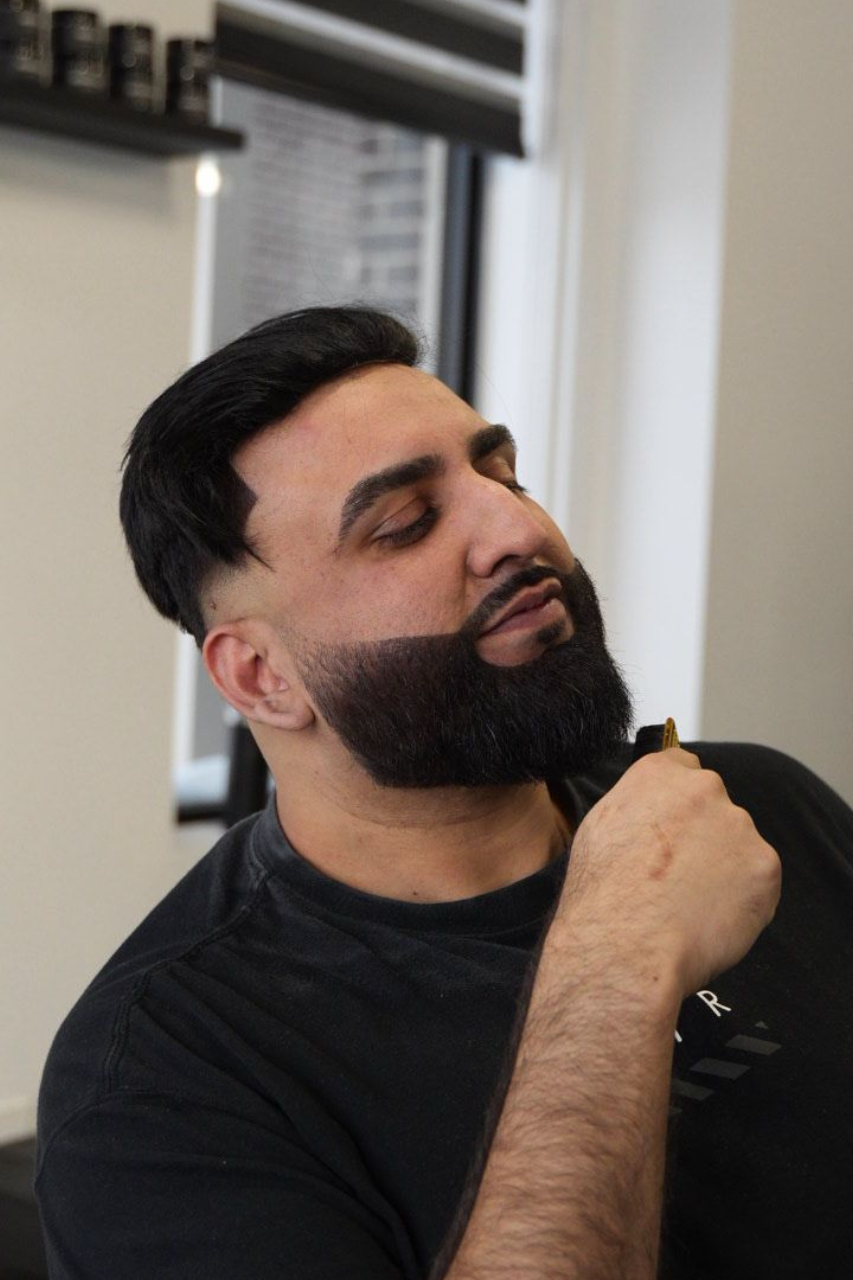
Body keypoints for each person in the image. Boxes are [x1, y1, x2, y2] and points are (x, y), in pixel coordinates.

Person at [36, 307, 853, 1279]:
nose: (519, 529)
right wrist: (613, 962)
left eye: (505, 476)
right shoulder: (164, 1077)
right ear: (261, 676)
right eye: (406, 523)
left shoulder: (751, 804)